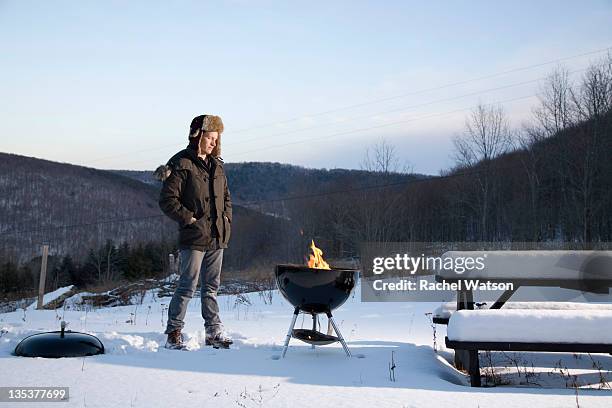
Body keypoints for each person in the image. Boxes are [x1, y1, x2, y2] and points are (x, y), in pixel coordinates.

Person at [155, 114, 233, 349]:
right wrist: (189, 218)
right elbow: (168, 200)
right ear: (197, 136)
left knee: (211, 286)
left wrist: (227, 218)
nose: (212, 143)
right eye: (209, 138)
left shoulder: (217, 164)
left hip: (218, 234)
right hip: (194, 236)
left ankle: (213, 332)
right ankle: (174, 332)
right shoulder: (181, 164)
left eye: (215, 139)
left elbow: (226, 197)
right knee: (188, 285)